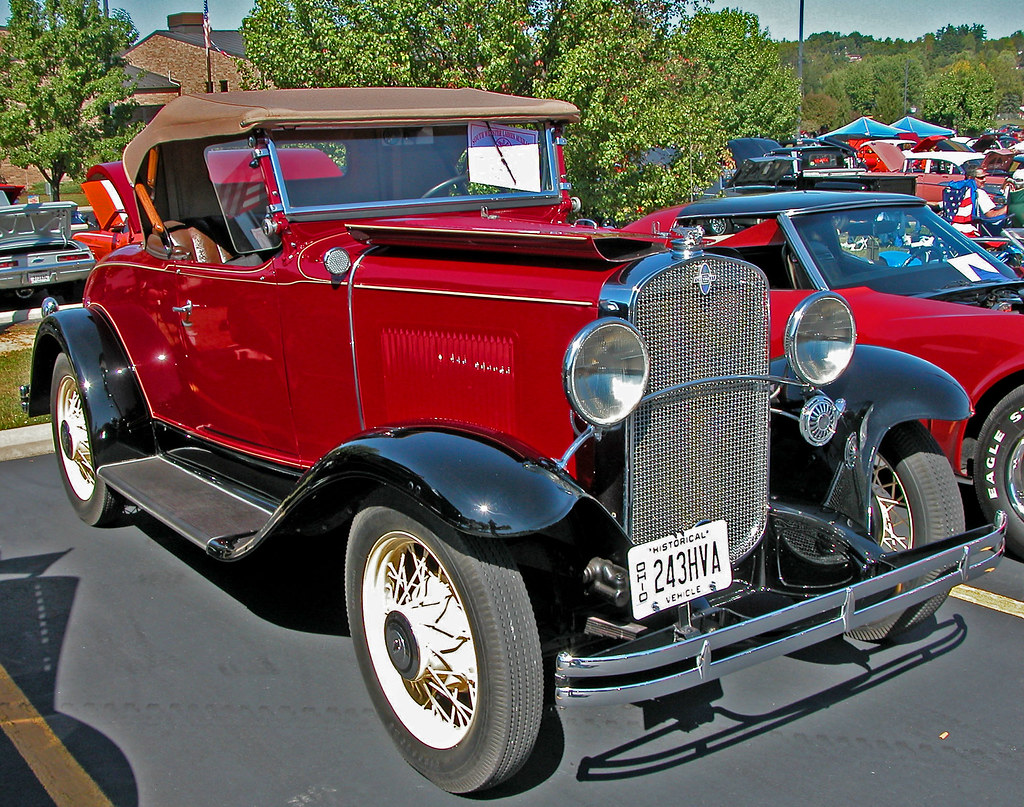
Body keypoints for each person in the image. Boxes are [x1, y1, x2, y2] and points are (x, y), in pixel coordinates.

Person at [951, 164, 1008, 236]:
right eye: (981, 177)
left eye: (985, 177)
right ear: (970, 178)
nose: (985, 180)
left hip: (952, 229)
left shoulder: (958, 190)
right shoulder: (979, 193)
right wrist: (1009, 207)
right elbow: (991, 216)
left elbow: (939, 204)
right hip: (969, 232)